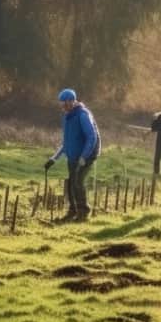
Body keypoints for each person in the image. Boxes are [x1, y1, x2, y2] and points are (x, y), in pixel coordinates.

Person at [43, 88, 101, 223]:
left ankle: (83, 212)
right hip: (74, 154)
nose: (63, 106)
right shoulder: (66, 117)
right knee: (70, 183)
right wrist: (54, 158)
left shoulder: (83, 115)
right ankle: (72, 211)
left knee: (78, 182)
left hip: (88, 154)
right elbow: (67, 142)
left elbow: (91, 137)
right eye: (61, 103)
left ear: (72, 101)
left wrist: (84, 157)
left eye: (65, 103)